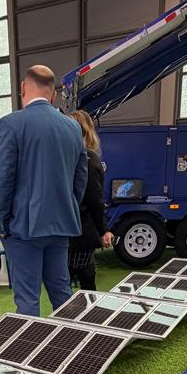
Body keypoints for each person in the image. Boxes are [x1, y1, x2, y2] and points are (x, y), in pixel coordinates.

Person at [0, 65, 87, 317]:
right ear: (53, 95)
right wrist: (67, 207)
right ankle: (71, 340)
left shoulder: (12, 123)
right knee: (62, 292)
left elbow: (2, 180)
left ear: (23, 88)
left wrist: (2, 223)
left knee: (28, 299)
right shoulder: (73, 128)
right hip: (61, 225)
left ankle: (31, 343)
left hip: (24, 227)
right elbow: (80, 179)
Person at [67, 109, 113, 290]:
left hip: (71, 231)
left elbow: (94, 198)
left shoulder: (73, 158)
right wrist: (104, 229)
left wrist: (104, 229)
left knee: (70, 281)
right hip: (81, 230)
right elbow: (95, 199)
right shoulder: (88, 158)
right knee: (85, 280)